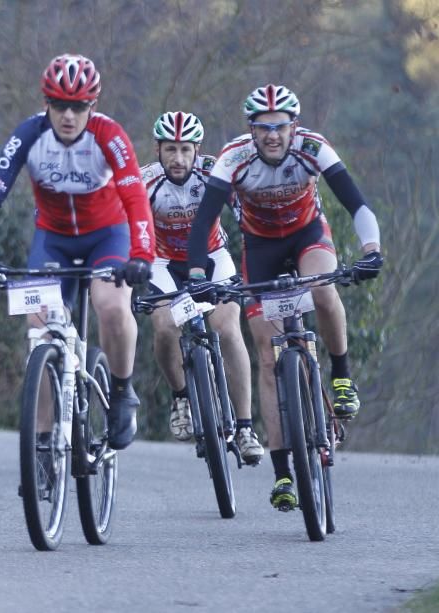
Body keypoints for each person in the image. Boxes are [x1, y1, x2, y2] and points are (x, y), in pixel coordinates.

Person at [186, 84, 383, 510]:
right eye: (263, 128)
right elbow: (203, 222)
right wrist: (199, 272)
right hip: (260, 248)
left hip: (308, 235)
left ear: (294, 127)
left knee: (322, 287)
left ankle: (342, 376)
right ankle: (282, 474)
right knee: (268, 355)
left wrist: (371, 250)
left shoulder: (313, 148)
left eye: (280, 127)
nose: (272, 135)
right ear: (251, 130)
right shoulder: (233, 158)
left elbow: (356, 203)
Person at [0, 54, 154, 450]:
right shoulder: (28, 134)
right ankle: (43, 440)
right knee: (39, 329)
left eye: (78, 107)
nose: (68, 115)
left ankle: (122, 390)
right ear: (46, 103)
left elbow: (134, 196)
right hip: (54, 240)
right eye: (59, 105)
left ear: (91, 107)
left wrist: (142, 254)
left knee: (111, 305)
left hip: (107, 236)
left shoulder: (109, 134)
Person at [141, 111, 264, 464]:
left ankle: (243, 427)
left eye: (185, 149)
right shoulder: (146, 181)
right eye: (170, 150)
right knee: (164, 327)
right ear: (158, 150)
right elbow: (128, 226)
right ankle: (181, 397)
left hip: (212, 257)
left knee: (227, 328)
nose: (178, 159)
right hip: (164, 264)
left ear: (197, 149)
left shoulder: (213, 173)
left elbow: (245, 211)